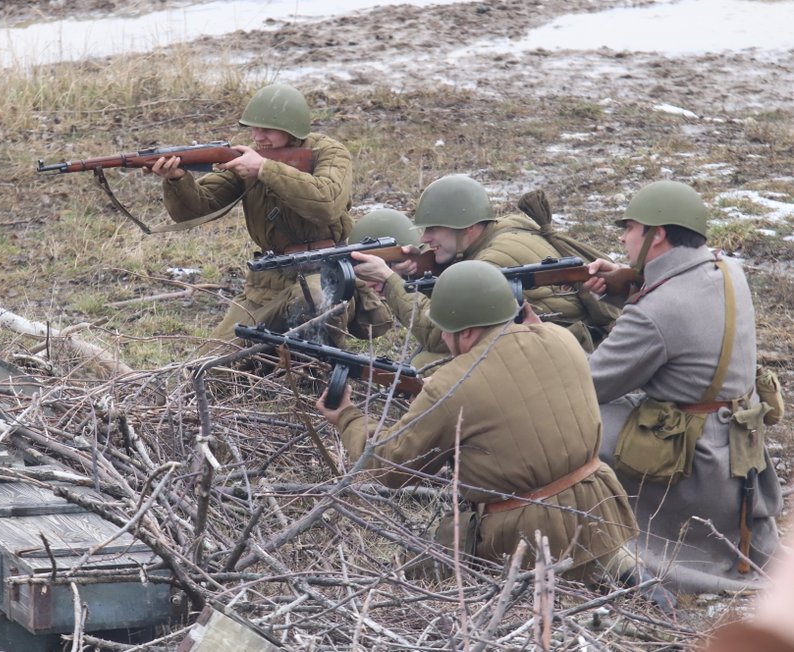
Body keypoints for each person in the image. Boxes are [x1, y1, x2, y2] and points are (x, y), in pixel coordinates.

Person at [315, 260, 667, 603]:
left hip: (526, 537)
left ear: (465, 331)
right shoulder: (561, 338)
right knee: (608, 570)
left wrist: (347, 417)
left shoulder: (455, 384)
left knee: (414, 583)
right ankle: (623, 573)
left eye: (446, 332)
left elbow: (393, 467)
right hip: (599, 508)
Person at [582, 180, 783, 594]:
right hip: (738, 455)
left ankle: (602, 540)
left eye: (632, 228)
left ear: (657, 236)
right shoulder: (729, 269)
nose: (622, 237)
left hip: (694, 469)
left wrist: (539, 339)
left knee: (573, 423)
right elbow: (690, 321)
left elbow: (587, 385)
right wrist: (633, 285)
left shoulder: (657, 312)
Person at [150, 83, 366, 351]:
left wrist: (265, 169)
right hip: (267, 281)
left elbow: (327, 203)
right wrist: (178, 180)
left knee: (315, 300)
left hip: (321, 270)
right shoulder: (249, 158)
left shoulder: (328, 152)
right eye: (253, 129)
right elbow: (198, 208)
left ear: (291, 128)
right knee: (208, 364)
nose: (258, 136)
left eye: (266, 130)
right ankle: (268, 364)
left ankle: (316, 375)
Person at [348, 174, 613, 368]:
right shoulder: (507, 227)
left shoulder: (492, 261)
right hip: (563, 339)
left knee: (428, 364)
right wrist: (421, 267)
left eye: (434, 229)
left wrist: (389, 280)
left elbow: (440, 334)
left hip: (567, 354)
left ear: (468, 227)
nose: (425, 238)